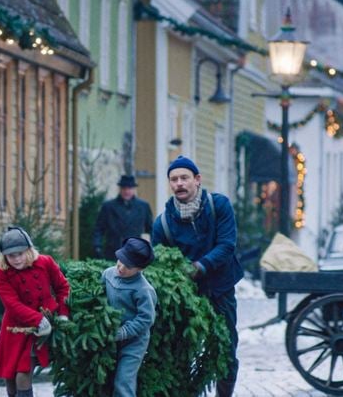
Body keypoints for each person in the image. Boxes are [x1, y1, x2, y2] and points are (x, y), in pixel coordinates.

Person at [151, 156, 243, 397]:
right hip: (186, 296)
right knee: (181, 352)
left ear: (197, 180)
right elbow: (159, 263)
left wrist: (199, 267)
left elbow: (227, 245)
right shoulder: (162, 224)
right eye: (174, 179)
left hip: (221, 289)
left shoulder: (218, 206)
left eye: (184, 178)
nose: (179, 183)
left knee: (225, 349)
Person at [0, 226, 70, 397]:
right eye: (11, 256)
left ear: (29, 250)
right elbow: (12, 304)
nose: (16, 259)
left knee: (23, 371)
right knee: (10, 376)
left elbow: (63, 287)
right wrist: (36, 319)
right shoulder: (0, 274)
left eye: (20, 253)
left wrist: (63, 314)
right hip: (16, 327)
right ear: (4, 256)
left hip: (43, 326)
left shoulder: (45, 262)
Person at [101, 237, 157, 397]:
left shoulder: (143, 289)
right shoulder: (108, 274)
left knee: (123, 381)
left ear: (140, 269)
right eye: (121, 260)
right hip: (111, 335)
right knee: (106, 377)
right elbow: (98, 295)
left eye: (129, 265)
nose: (121, 267)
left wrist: (123, 332)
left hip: (134, 342)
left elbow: (146, 319)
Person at [94, 175, 153, 260]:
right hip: (113, 252)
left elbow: (151, 229)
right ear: (120, 189)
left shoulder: (143, 206)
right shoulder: (108, 206)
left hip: (134, 252)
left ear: (134, 189)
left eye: (129, 188)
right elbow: (98, 229)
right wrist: (97, 246)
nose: (127, 191)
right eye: (124, 188)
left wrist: (152, 247)